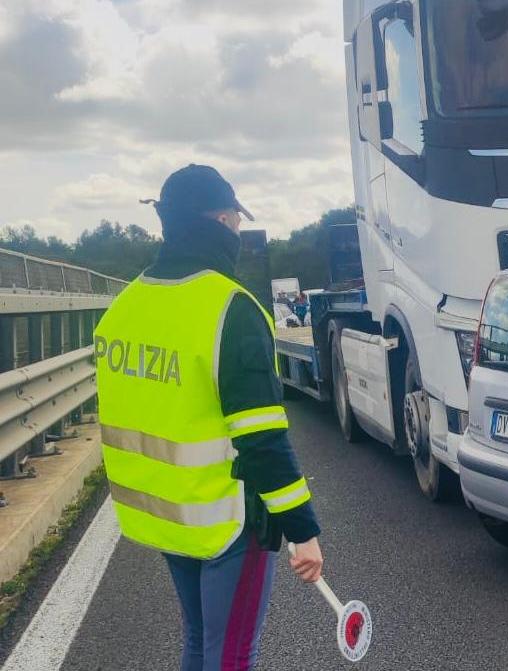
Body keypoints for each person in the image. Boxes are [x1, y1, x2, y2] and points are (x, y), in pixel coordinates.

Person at [95, 164, 323, 671]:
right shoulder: (231, 309)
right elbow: (262, 441)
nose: (240, 232)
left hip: (169, 515)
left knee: (201, 641)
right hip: (227, 520)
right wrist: (302, 531)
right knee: (232, 654)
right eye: (237, 222)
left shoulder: (126, 305)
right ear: (222, 220)